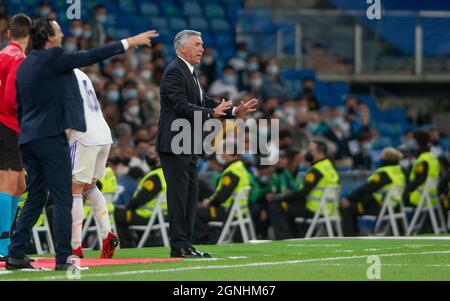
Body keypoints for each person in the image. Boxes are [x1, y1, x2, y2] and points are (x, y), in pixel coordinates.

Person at [7, 17, 158, 271]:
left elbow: (18, 104)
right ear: (49, 37)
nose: (63, 33)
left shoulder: (25, 66)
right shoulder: (54, 59)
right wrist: (128, 42)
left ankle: (16, 253)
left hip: (29, 139)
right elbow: (91, 55)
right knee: (65, 197)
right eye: (58, 30)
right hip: (52, 138)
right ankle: (65, 256)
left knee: (35, 198)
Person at [156, 29, 258, 258]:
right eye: (197, 44)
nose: (202, 48)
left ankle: (186, 243)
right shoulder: (174, 71)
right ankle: (178, 245)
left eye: (202, 44)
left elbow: (205, 101)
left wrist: (234, 111)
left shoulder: (190, 72)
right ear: (183, 48)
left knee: (190, 196)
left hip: (189, 142)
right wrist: (212, 112)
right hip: (174, 142)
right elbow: (181, 105)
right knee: (179, 195)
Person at [68, 68, 119, 259]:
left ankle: (75, 247)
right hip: (103, 133)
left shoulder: (58, 74)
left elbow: (68, 110)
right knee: (89, 187)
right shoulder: (81, 73)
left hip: (83, 135)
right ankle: (107, 234)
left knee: (75, 188)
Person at [0, 14, 31, 260]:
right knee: (8, 185)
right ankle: (3, 245)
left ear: (9, 34)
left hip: (6, 126)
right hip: (8, 125)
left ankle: (6, 239)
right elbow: (11, 99)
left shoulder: (1, 55)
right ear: (29, 37)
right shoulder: (20, 59)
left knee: (19, 186)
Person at [267, 141, 340, 239]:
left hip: (313, 210)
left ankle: (283, 239)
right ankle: (295, 236)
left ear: (320, 152)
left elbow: (302, 193)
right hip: (327, 210)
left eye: (310, 150)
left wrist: (280, 197)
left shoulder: (316, 170)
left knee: (275, 204)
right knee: (287, 204)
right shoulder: (329, 167)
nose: (307, 153)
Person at [340, 148, 406, 236]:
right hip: (395, 207)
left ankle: (350, 236)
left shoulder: (384, 173)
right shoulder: (401, 171)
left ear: (384, 159)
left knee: (346, 207)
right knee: (352, 204)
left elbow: (366, 188)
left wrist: (348, 198)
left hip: (378, 208)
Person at [114, 143, 166, 248]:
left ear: (159, 156)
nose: (147, 156)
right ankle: (131, 241)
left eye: (151, 153)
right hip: (163, 214)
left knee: (114, 214)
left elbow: (140, 200)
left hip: (147, 215)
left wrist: (127, 207)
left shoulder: (155, 176)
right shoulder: (168, 173)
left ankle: (126, 245)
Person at [194, 150, 250, 244]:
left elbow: (222, 197)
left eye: (225, 151)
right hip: (237, 211)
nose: (222, 154)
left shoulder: (231, 172)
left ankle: (205, 240)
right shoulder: (240, 168)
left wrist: (209, 202)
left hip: (225, 211)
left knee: (193, 211)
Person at [404, 130, 440, 208]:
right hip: (433, 196)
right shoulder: (432, 157)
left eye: (413, 140)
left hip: (419, 197)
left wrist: (406, 189)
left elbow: (418, 180)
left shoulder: (422, 160)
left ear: (416, 142)